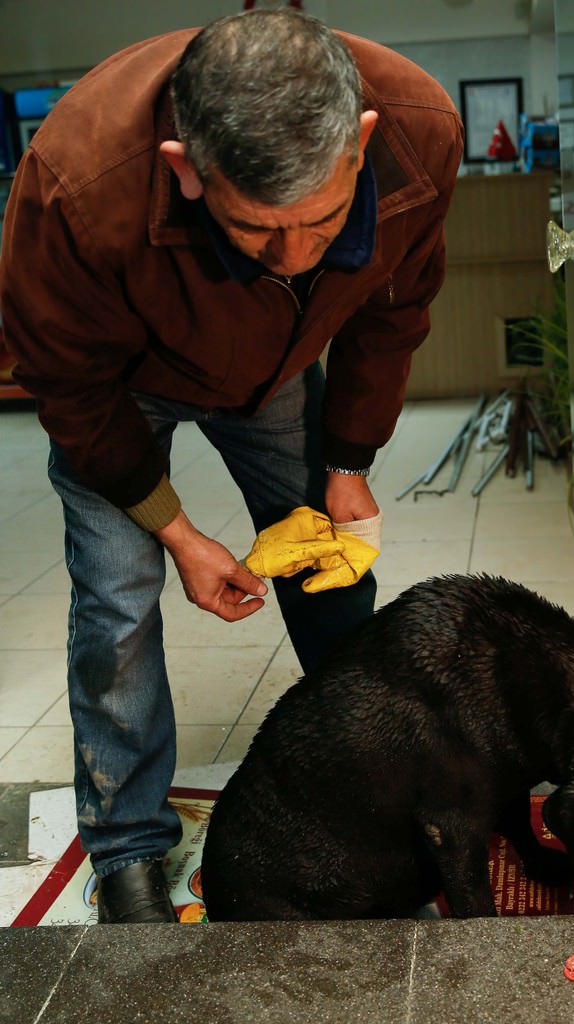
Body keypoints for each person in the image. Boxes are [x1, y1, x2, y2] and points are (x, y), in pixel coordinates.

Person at [0, 9, 462, 923]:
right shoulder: (76, 184)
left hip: (281, 370)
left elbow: (392, 310)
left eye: (323, 222)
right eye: (257, 232)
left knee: (331, 572)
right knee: (117, 601)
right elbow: (67, 387)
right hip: (123, 383)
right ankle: (127, 845)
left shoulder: (418, 131)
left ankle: (364, 782)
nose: (293, 256)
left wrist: (347, 459)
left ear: (360, 143)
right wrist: (175, 532)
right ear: (183, 167)